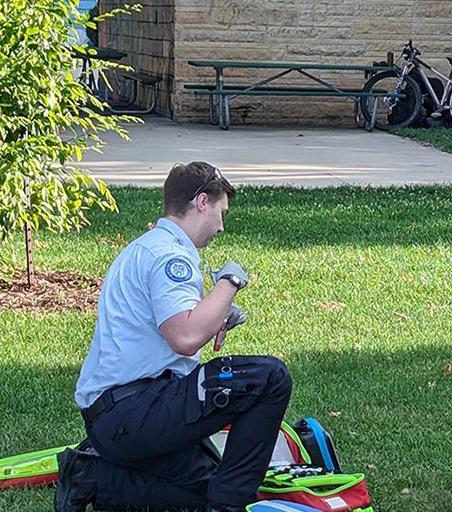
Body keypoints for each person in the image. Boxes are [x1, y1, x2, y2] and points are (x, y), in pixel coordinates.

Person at [56, 162, 293, 512]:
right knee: (271, 378)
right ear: (201, 202)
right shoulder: (170, 257)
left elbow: (175, 322)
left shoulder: (145, 247)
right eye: (220, 212)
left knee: (207, 484)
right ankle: (228, 507)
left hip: (115, 417)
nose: (221, 227)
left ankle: (95, 476)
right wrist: (230, 280)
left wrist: (216, 316)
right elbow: (184, 336)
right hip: (134, 408)